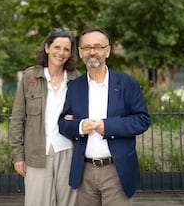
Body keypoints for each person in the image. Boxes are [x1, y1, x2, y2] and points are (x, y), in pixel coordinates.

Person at [58, 28, 151, 206]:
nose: (92, 52)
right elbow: (62, 123)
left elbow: (142, 120)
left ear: (107, 51)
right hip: (84, 172)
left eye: (97, 46)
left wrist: (107, 126)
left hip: (117, 171)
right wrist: (79, 126)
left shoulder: (127, 84)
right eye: (86, 47)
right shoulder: (75, 87)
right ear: (80, 52)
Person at [9, 28, 81, 206]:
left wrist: (77, 119)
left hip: (68, 152)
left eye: (66, 49)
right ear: (47, 48)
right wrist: (18, 156)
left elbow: (86, 116)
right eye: (57, 47)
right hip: (36, 153)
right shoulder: (30, 77)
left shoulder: (77, 79)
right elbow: (17, 119)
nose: (61, 53)